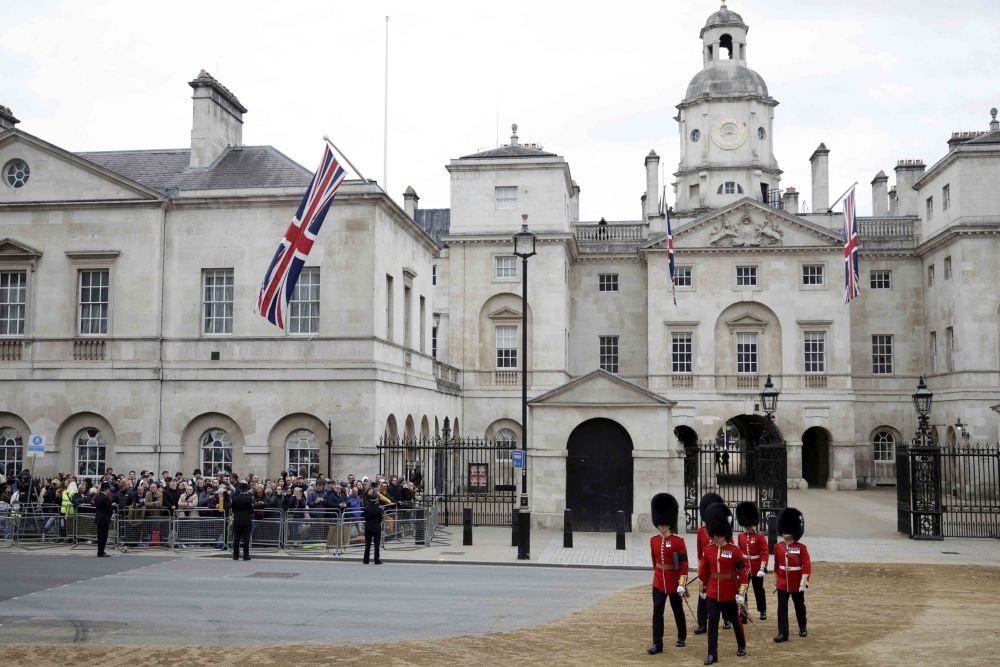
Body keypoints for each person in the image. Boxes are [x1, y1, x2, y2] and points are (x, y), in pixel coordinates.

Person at [698, 503, 747, 665]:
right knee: (712, 623)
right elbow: (704, 571)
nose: (715, 539)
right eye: (713, 536)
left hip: (729, 592)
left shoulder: (734, 550)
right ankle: (712, 654)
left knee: (735, 620)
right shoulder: (709, 549)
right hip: (713, 592)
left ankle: (741, 645)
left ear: (724, 534)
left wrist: (741, 593)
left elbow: (743, 572)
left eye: (718, 536)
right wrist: (702, 587)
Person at [647, 493, 688, 655]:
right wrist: (657, 575)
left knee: (677, 609)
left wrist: (681, 583)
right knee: (657, 612)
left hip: (673, 581)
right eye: (660, 524)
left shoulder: (678, 541)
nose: (662, 527)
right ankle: (657, 643)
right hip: (659, 581)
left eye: (665, 524)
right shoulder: (653, 540)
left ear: (670, 523)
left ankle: (682, 635)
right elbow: (654, 562)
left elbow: (684, 564)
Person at [773, 507, 811, 643]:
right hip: (783, 582)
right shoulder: (778, 547)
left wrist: (804, 581)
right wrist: (776, 582)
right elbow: (777, 566)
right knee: (781, 607)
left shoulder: (801, 548)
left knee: (799, 605)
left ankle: (802, 627)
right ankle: (783, 633)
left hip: (796, 581)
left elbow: (806, 565)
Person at [694, 492, 724, 635]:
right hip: (707, 570)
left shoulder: (723, 531)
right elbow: (700, 553)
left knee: (723, 595)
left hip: (720, 569)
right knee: (702, 595)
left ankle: (727, 618)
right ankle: (701, 623)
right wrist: (701, 569)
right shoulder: (701, 532)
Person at [735, 501, 769, 621]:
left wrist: (762, 567)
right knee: (742, 588)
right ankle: (744, 612)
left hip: (756, 567)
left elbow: (764, 553)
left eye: (749, 525)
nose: (748, 527)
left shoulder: (759, 536)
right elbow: (739, 552)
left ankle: (762, 610)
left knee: (759, 590)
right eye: (746, 525)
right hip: (745, 567)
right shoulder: (740, 536)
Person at [230, 481, 253, 561]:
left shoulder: (234, 498)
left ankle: (235, 555)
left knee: (236, 538)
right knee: (246, 539)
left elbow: (232, 509)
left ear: (239, 489)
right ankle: (245, 556)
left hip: (237, 519)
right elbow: (251, 509)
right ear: (246, 489)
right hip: (246, 520)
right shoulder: (248, 498)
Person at [94, 481, 117, 557]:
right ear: (106, 489)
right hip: (104, 519)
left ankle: (99, 551)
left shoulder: (97, 496)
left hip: (98, 518)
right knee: (104, 536)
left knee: (99, 536)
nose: (109, 490)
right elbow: (109, 509)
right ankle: (101, 552)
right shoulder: (105, 497)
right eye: (108, 489)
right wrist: (112, 506)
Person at [362, 488, 383, 565]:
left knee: (367, 545)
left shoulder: (366, 508)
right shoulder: (379, 509)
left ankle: (365, 560)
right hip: (376, 527)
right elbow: (380, 519)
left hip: (368, 527)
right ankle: (376, 560)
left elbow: (365, 517)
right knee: (376, 544)